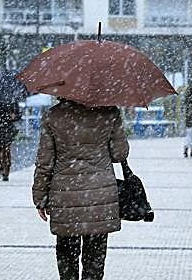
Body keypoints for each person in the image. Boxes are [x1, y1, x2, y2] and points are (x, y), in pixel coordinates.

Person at [32, 98, 129, 280]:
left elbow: (44, 163)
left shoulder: (53, 116)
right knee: (95, 259)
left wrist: (40, 197)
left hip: (65, 196)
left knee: (67, 256)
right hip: (99, 196)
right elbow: (119, 154)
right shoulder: (109, 112)